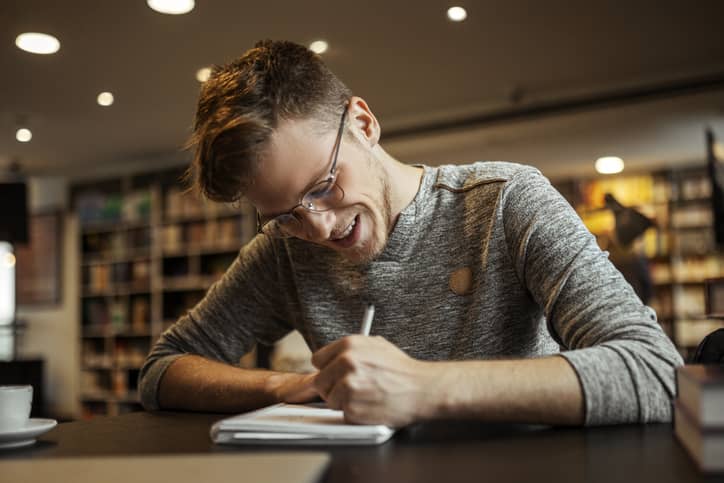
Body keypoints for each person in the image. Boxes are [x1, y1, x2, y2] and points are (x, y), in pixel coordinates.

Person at [139, 40, 683, 427]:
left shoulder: (505, 202)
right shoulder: (284, 251)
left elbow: (657, 373)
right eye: (284, 214)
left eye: (325, 185)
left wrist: (422, 388)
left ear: (364, 124)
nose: (319, 227)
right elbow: (162, 369)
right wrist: (288, 387)